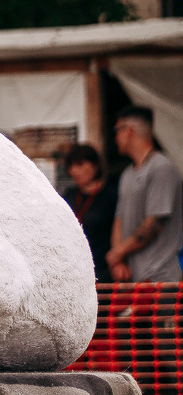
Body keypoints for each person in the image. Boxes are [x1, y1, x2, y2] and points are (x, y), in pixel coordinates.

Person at [106, 106, 183, 282]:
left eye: (117, 130)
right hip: (134, 277)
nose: (116, 137)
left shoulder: (162, 168)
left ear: (128, 131)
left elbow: (154, 224)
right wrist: (119, 261)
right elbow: (119, 219)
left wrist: (117, 253)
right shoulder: (127, 174)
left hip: (161, 277)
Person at [61, 144, 120, 282]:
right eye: (71, 166)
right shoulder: (69, 195)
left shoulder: (110, 195)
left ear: (95, 165)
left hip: (102, 268)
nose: (74, 171)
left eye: (80, 165)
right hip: (74, 269)